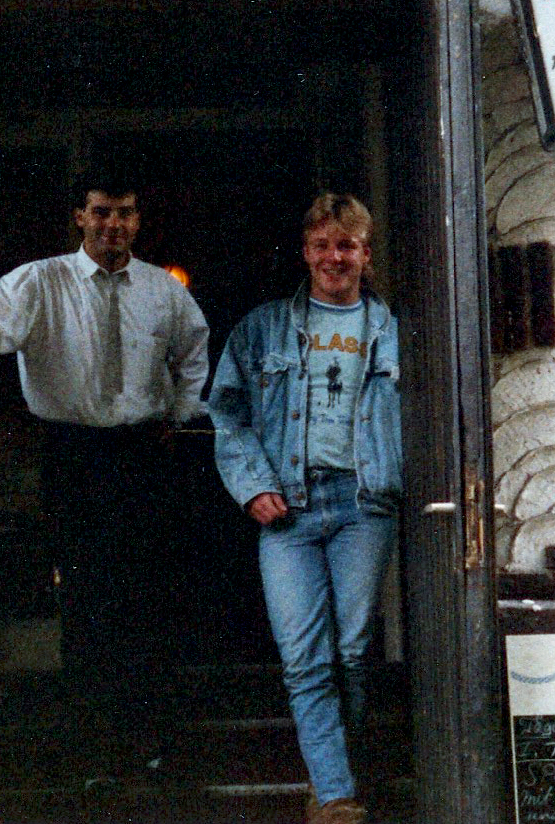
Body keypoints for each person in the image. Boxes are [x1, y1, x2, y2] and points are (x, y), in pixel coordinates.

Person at [0, 172, 210, 789]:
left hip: (144, 455)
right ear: (79, 216)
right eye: (100, 212)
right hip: (73, 455)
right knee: (87, 601)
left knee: (148, 599)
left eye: (124, 213)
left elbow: (193, 354)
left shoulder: (162, 292)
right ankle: (95, 752)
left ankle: (151, 747)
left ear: (138, 219)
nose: (111, 225)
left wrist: (180, 413)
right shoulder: (41, 282)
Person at [208, 193, 401, 824]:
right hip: (288, 511)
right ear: (306, 251)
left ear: (365, 254)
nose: (333, 257)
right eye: (322, 245)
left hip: (363, 505)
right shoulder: (264, 328)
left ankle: (342, 771)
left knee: (350, 649)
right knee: (304, 657)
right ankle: (336, 793)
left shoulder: (391, 330)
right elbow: (226, 413)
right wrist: (253, 484)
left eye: (346, 246)